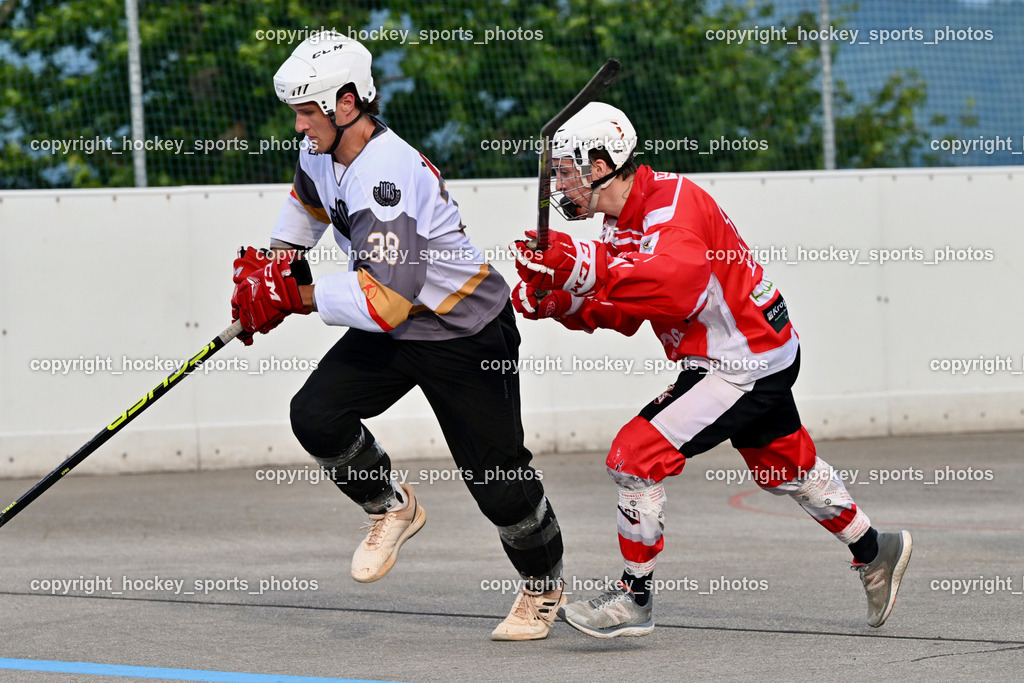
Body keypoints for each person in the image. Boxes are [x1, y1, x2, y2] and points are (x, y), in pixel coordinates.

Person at [510, 102, 912, 639]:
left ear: (601, 165)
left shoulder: (671, 205)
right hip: (755, 351)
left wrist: (581, 266)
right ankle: (875, 549)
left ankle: (634, 598)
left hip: (740, 362)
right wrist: (559, 300)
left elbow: (677, 287)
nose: (559, 184)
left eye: (565, 171)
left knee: (634, 458)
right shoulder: (618, 222)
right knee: (786, 470)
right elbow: (627, 311)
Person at [230, 31, 565, 641]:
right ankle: (392, 506)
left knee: (498, 483)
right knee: (316, 416)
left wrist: (297, 297)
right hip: (399, 322)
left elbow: (386, 300)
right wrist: (273, 267)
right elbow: (307, 205)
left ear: (348, 103)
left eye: (307, 112)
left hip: (464, 330)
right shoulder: (321, 147)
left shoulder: (386, 177)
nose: (299, 125)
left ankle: (543, 586)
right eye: (296, 112)